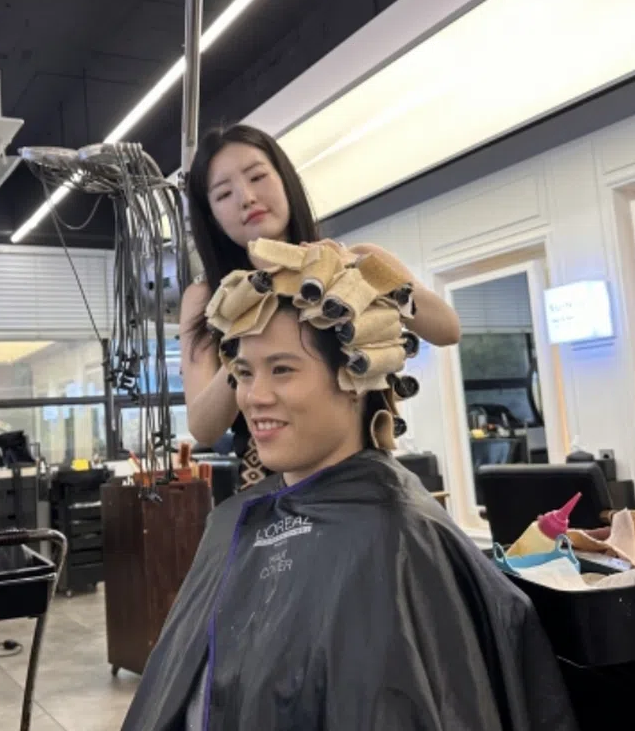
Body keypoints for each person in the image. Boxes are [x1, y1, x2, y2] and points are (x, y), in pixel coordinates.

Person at [122, 244, 575, 731]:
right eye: (244, 373)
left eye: (283, 369)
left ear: (356, 375)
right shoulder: (231, 521)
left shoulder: (397, 539)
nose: (254, 397)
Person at [181, 124, 461, 488]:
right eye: (223, 194)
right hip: (270, 489)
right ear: (211, 217)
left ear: (285, 180)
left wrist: (356, 272)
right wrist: (242, 330)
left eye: (257, 176)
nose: (246, 197)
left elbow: (447, 328)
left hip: (363, 480)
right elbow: (203, 426)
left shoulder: (359, 260)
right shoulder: (206, 298)